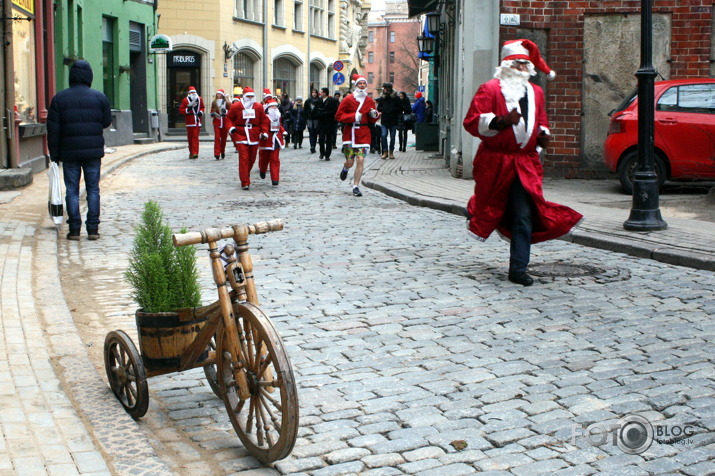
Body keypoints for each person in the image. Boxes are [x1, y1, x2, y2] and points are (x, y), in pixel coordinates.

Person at [463, 39, 582, 286]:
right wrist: (501, 121)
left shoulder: (536, 92)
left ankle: (518, 268)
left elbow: (542, 120)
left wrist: (542, 137)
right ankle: (475, 209)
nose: (522, 69)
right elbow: (472, 121)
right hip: (495, 162)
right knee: (492, 204)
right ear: (506, 65)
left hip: (525, 164)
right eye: (517, 64)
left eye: (526, 65)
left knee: (524, 214)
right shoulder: (490, 89)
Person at [47, 60, 112, 241]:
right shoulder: (99, 97)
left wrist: (54, 154)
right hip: (93, 152)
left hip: (69, 153)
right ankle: (93, 229)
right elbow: (106, 122)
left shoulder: (59, 98)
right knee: (93, 190)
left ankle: (74, 229)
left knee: (72, 190)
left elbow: (53, 130)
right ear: (89, 76)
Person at [336, 74, 380, 197]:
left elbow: (372, 119)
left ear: (366, 85)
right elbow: (339, 116)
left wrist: (374, 115)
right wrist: (354, 117)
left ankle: (356, 186)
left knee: (360, 159)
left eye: (363, 84)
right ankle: (345, 168)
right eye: (359, 84)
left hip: (363, 134)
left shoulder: (369, 101)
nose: (361, 86)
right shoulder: (348, 99)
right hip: (350, 133)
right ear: (356, 85)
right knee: (350, 162)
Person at [226, 87, 269, 190]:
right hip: (241, 133)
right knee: (244, 158)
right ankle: (245, 181)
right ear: (244, 96)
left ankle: (246, 173)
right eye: (248, 96)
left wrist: (264, 132)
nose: (250, 98)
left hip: (254, 134)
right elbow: (229, 118)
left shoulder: (258, 107)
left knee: (252, 158)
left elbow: (264, 120)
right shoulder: (236, 106)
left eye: (252, 96)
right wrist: (231, 128)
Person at [258, 96, 287, 186]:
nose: (274, 108)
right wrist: (264, 134)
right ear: (268, 108)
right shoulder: (264, 117)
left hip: (276, 140)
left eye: (275, 106)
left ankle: (275, 179)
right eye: (272, 106)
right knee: (264, 158)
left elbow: (279, 125)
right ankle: (262, 170)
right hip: (267, 141)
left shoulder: (277, 117)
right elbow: (263, 127)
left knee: (275, 159)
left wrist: (283, 131)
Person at [376, 82, 404, 159]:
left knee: (392, 137)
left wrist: (392, 109)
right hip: (384, 120)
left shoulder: (396, 98)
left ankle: (391, 151)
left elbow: (401, 108)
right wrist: (384, 109)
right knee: (383, 135)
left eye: (385, 88)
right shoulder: (382, 98)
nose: (384, 90)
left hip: (393, 120)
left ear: (389, 89)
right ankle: (385, 151)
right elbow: (379, 108)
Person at [179, 86, 205, 159]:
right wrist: (187, 109)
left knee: (195, 137)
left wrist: (201, 112)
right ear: (189, 93)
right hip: (190, 121)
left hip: (197, 120)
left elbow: (203, 107)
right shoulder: (185, 100)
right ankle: (191, 152)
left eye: (194, 92)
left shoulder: (200, 99)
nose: (193, 94)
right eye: (191, 92)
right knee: (190, 138)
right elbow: (181, 110)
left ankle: (195, 152)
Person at [316, 87, 339, 161]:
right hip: (321, 122)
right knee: (321, 139)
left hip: (329, 122)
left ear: (325, 93)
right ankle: (322, 153)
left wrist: (325, 113)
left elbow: (334, 111)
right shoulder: (319, 100)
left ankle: (327, 154)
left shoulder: (332, 101)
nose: (320, 93)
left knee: (329, 139)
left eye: (321, 92)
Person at [210, 89, 230, 160]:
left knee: (224, 138)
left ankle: (222, 151)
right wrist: (212, 114)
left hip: (224, 121)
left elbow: (231, 111)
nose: (218, 95)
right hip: (217, 121)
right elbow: (211, 111)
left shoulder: (226, 103)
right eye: (217, 94)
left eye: (220, 94)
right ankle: (217, 153)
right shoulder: (214, 102)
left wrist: (226, 111)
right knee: (217, 138)